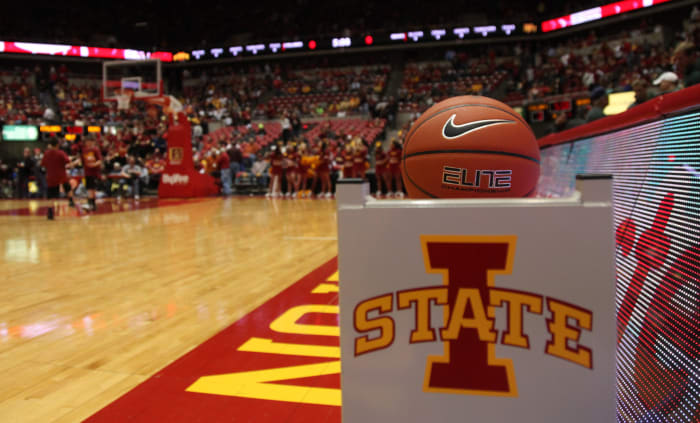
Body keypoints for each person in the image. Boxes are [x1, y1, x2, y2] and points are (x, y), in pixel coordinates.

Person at [41, 138, 76, 218]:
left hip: (50, 176)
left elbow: (42, 164)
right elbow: (67, 161)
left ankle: (50, 212)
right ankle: (71, 201)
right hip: (61, 176)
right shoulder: (60, 153)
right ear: (57, 145)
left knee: (51, 195)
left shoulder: (46, 153)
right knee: (67, 187)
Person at [81, 136, 103, 211]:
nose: (88, 143)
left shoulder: (95, 150)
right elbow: (82, 161)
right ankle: (92, 205)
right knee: (90, 189)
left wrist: (94, 165)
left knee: (91, 189)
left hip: (94, 172)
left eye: (90, 141)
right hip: (87, 173)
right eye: (87, 141)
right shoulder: (84, 150)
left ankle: (91, 204)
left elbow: (99, 161)